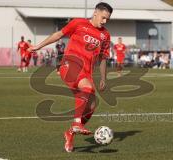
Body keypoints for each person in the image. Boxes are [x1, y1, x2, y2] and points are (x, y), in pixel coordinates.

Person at [27, 2, 113, 152]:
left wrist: (104, 79)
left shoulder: (105, 35)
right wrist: (38, 46)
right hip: (69, 65)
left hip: (86, 72)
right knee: (87, 87)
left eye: (107, 19)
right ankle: (76, 123)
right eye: (103, 17)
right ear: (95, 13)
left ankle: (70, 133)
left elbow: (103, 58)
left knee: (92, 106)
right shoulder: (78, 23)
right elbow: (59, 34)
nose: (105, 21)